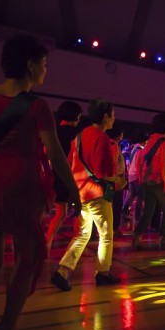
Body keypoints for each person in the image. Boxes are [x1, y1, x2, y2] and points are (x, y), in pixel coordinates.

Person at [0, 34, 80, 330]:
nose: (45, 70)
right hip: (20, 183)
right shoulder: (38, 106)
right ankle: (7, 326)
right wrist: (73, 190)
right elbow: (55, 154)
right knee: (28, 254)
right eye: (44, 64)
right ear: (30, 65)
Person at [51, 98, 125, 291]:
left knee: (82, 234)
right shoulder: (102, 138)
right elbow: (104, 172)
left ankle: (63, 271)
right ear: (105, 117)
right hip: (97, 194)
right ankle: (103, 273)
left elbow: (69, 163)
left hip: (80, 193)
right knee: (106, 235)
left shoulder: (79, 136)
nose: (114, 119)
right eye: (113, 115)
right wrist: (119, 181)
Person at [132, 113, 165, 250]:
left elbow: (141, 160)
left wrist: (141, 178)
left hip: (147, 181)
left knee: (148, 211)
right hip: (159, 180)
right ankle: (164, 238)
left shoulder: (150, 139)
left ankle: (137, 237)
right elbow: (163, 164)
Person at [45, 100, 82, 253]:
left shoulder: (53, 132)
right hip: (72, 177)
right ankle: (77, 246)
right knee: (79, 214)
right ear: (76, 116)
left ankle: (47, 243)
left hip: (53, 174)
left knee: (60, 213)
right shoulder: (76, 134)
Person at [122, 135, 148, 225]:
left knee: (131, 195)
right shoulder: (140, 150)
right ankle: (138, 217)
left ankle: (124, 212)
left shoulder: (134, 149)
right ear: (144, 141)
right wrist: (141, 177)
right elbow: (139, 165)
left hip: (131, 174)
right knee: (140, 196)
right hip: (137, 175)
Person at [107, 124, 126, 237]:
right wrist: (116, 179)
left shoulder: (109, 143)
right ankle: (114, 228)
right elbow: (113, 163)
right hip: (114, 179)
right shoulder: (113, 145)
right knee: (116, 204)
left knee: (110, 204)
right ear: (119, 135)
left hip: (110, 178)